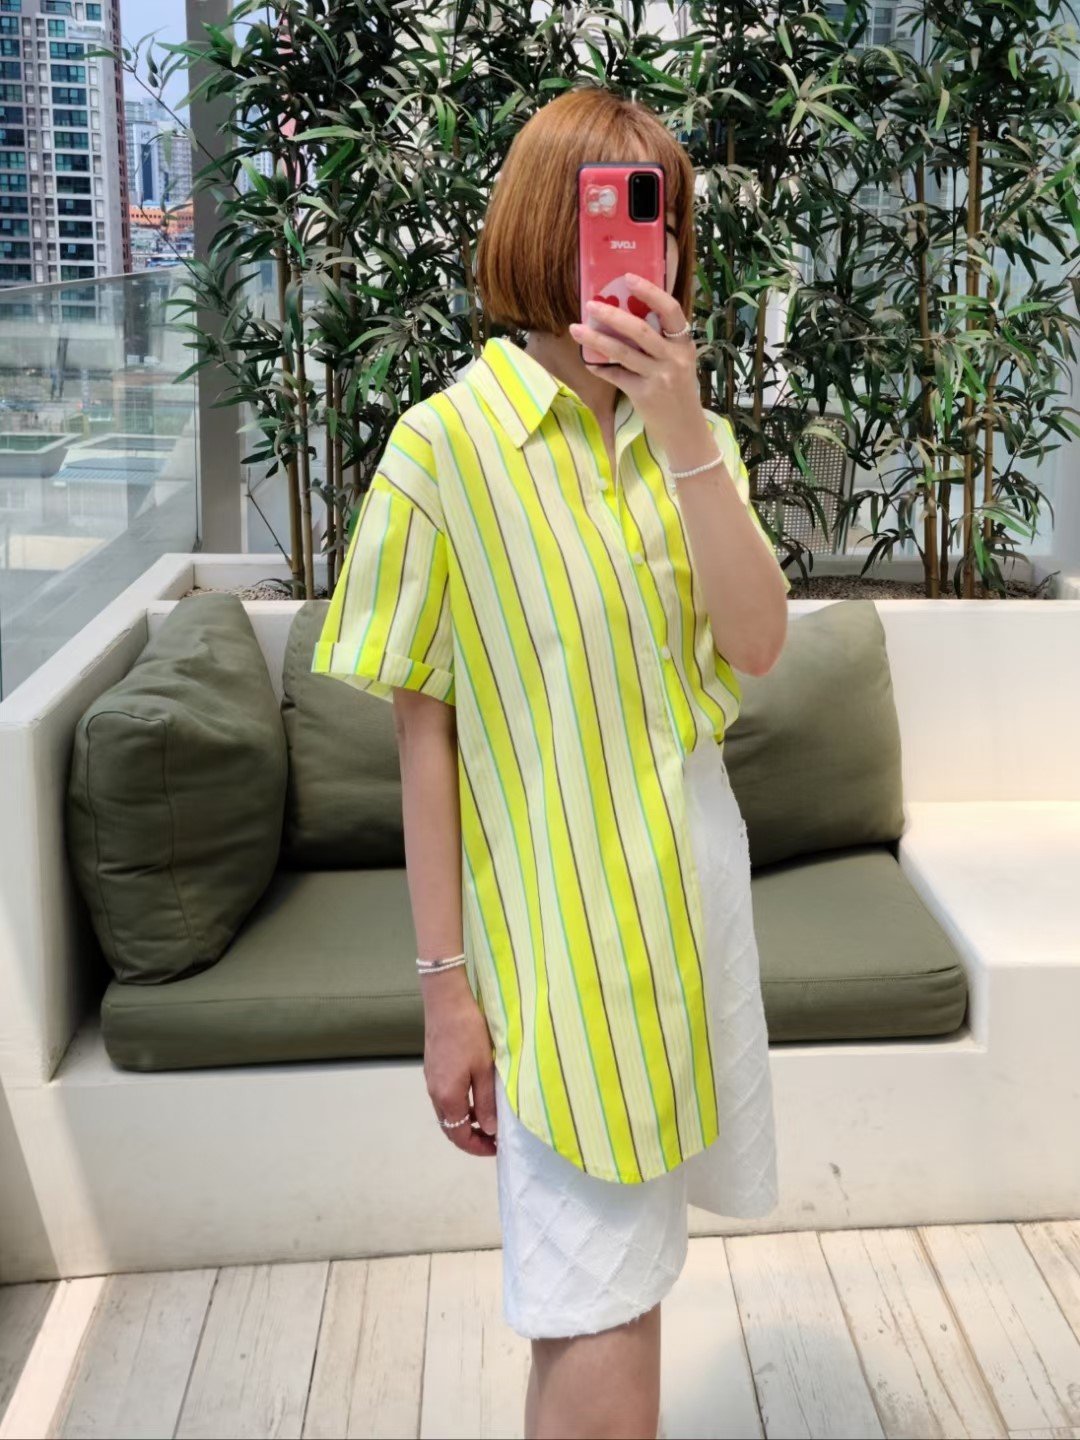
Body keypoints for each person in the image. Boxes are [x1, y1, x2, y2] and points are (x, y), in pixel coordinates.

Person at [313, 84, 791, 1440]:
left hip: (692, 905)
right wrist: (443, 995)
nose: (650, 245)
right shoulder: (443, 451)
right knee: (596, 1305)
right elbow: (425, 744)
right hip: (558, 944)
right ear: (543, 229)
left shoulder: (692, 442)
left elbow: (757, 647)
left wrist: (686, 432)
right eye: (616, 213)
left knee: (623, 1289)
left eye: (664, 218)